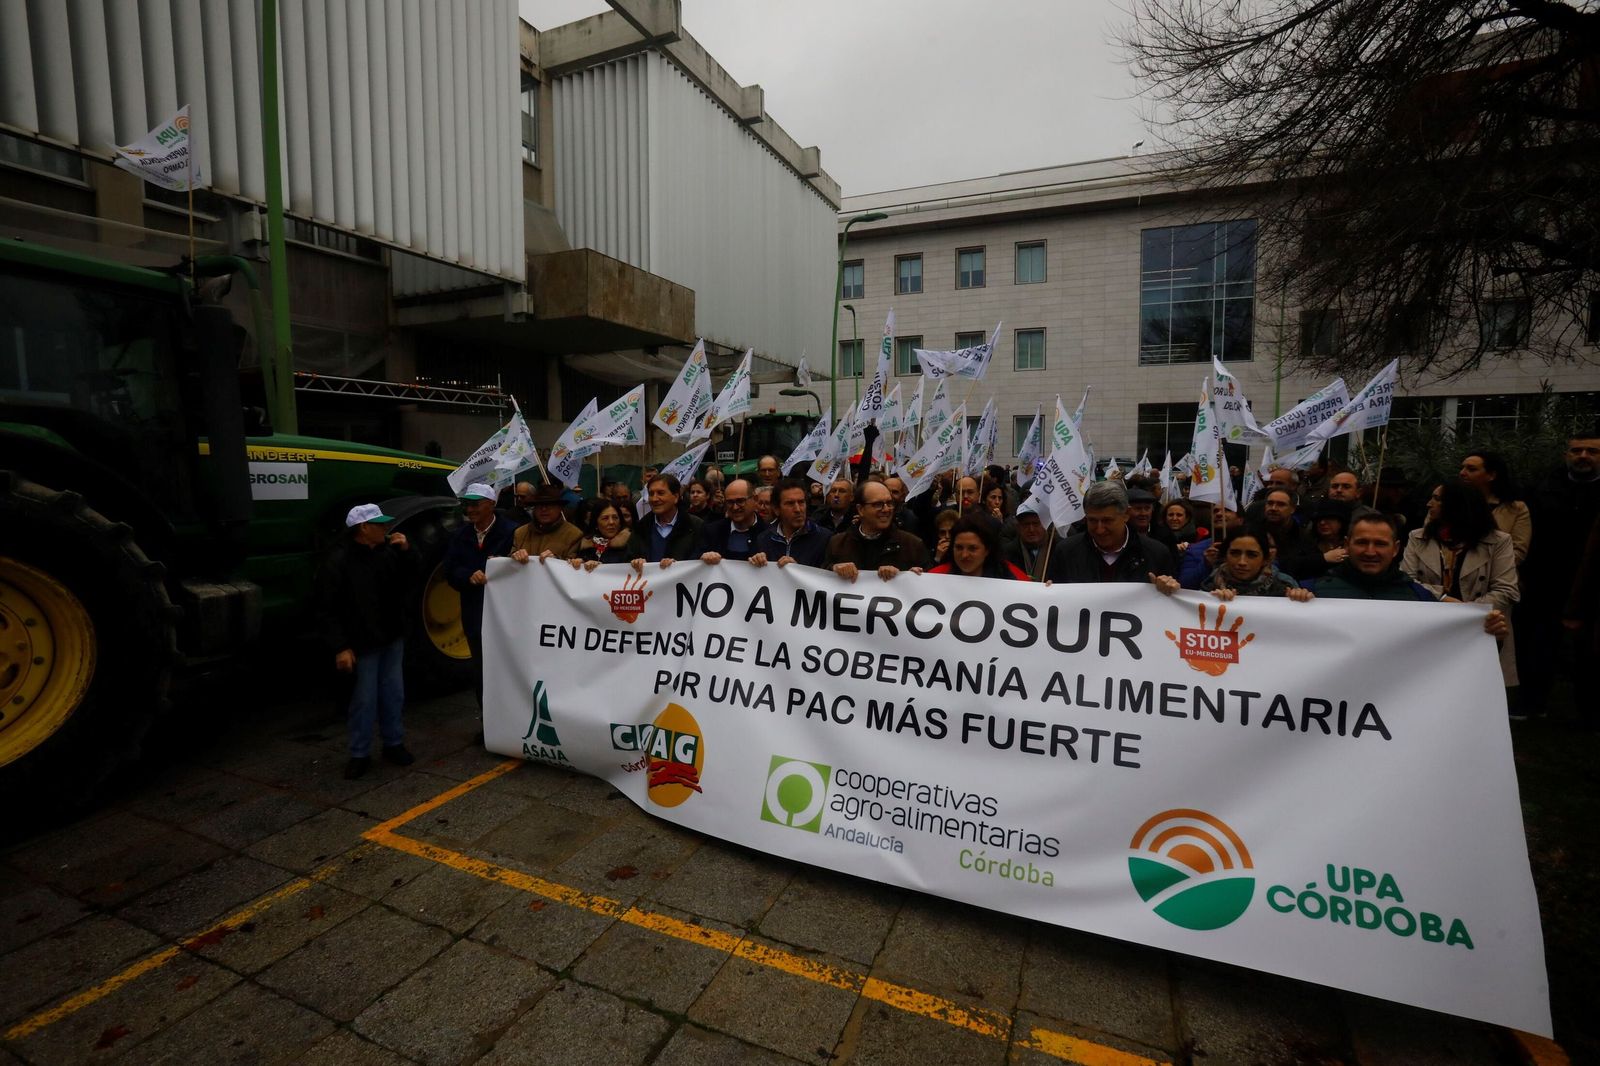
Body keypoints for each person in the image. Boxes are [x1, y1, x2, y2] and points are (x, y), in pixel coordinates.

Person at [319, 503, 417, 779]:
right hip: (362, 644)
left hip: (391, 637)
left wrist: (409, 551)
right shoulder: (338, 560)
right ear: (363, 528)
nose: (386, 528)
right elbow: (326, 608)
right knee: (363, 700)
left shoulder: (389, 553)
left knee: (393, 695)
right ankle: (359, 753)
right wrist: (340, 646)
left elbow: (411, 579)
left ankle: (393, 743)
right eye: (380, 524)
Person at [1312, 512, 1510, 637]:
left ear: (1396, 549)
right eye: (1362, 542)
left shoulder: (1419, 598)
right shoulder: (1314, 591)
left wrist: (1487, 629)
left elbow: (1456, 642)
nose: (1370, 551)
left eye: (1380, 544)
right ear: (1347, 545)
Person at [1403, 483, 1520, 693]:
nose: (1430, 503)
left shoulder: (1499, 541)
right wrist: (1443, 599)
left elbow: (1506, 590)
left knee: (1474, 694)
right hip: (1429, 631)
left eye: (1437, 499)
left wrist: (1466, 615)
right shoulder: (1417, 537)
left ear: (1458, 504)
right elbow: (1406, 583)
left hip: (1480, 632)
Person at [443, 483, 515, 712]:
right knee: (482, 671)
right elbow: (451, 571)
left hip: (506, 617)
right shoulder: (460, 536)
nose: (470, 510)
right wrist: (467, 576)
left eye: (475, 504)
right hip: (475, 615)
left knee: (509, 671)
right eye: (467, 505)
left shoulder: (513, 531)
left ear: (491, 504)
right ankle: (489, 725)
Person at [1042, 481, 1176, 584]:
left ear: (1126, 515)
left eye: (1107, 521)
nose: (1099, 529)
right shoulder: (1066, 552)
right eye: (1092, 520)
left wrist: (1169, 589)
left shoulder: (1156, 554)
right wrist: (1051, 593)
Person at [825, 480, 930, 582]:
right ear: (860, 509)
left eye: (889, 503)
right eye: (878, 504)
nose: (886, 509)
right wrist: (834, 569)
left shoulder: (913, 545)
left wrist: (913, 577)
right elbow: (819, 579)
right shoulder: (837, 543)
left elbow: (931, 588)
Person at [1199, 523, 1313, 601]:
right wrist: (1212, 601)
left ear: (1265, 559)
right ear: (1225, 555)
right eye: (1235, 553)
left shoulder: (1284, 586)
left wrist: (1301, 600)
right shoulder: (1211, 584)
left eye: (1252, 555)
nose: (1242, 562)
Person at [1459, 450, 1531, 565]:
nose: (1462, 473)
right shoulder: (1446, 502)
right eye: (1462, 468)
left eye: (1471, 469)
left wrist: (1483, 567)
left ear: (1491, 475)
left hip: (1494, 576)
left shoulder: (1515, 508)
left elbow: (1518, 551)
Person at [750, 478, 830, 569]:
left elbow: (826, 578)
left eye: (801, 502)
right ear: (776, 509)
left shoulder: (824, 538)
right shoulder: (763, 539)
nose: (798, 509)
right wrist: (756, 563)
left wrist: (797, 571)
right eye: (790, 503)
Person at [929, 513, 1031, 579]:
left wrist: (1045, 591)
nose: (964, 555)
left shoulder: (1013, 577)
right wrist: (915, 580)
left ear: (987, 550)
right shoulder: (937, 576)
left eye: (972, 548)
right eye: (959, 548)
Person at [633, 473, 705, 567]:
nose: (654, 499)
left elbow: (702, 560)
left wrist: (677, 567)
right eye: (651, 494)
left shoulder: (696, 526)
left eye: (660, 493)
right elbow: (628, 558)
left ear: (675, 497)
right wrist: (635, 562)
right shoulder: (640, 527)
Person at [701, 478, 769, 563]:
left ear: (755, 499)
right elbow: (693, 563)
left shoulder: (770, 535)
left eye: (740, 501)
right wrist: (703, 557)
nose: (735, 507)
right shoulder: (712, 531)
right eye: (730, 502)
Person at [510, 483, 582, 562]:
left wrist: (556, 561)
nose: (544, 509)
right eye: (539, 505)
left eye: (549, 505)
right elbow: (509, 566)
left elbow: (574, 568)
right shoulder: (520, 533)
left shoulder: (574, 535)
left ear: (560, 508)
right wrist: (515, 556)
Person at [1005, 508, 1051, 578]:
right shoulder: (1007, 553)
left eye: (1036, 524)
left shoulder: (1057, 550)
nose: (1031, 529)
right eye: (1026, 525)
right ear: (1018, 527)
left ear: (1045, 525)